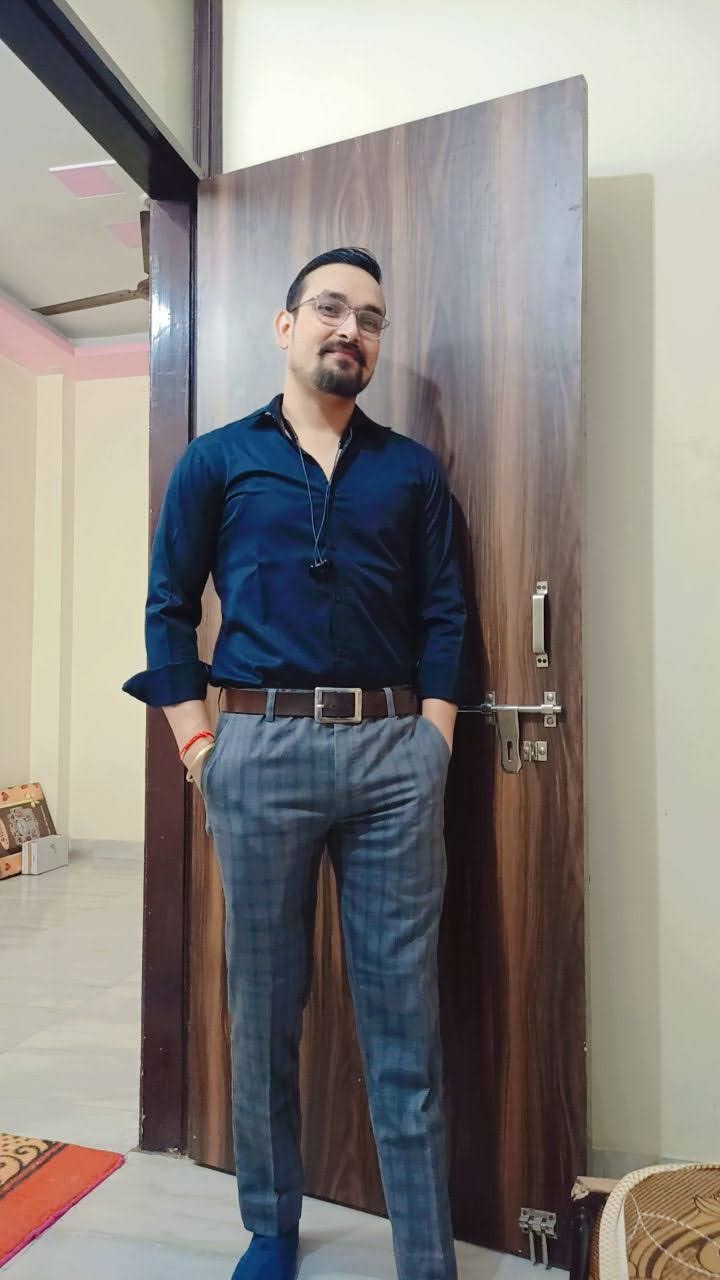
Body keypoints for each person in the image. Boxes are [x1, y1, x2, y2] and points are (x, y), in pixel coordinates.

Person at [123, 245, 467, 1280]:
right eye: (329, 307)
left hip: (394, 756)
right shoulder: (216, 460)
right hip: (257, 749)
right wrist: (198, 745)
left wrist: (435, 740)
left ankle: (425, 1254)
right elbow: (168, 607)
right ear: (286, 326)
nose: (349, 328)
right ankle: (271, 1226)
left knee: (404, 1017)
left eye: (370, 317)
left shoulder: (412, 471)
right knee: (264, 1007)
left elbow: (446, 612)